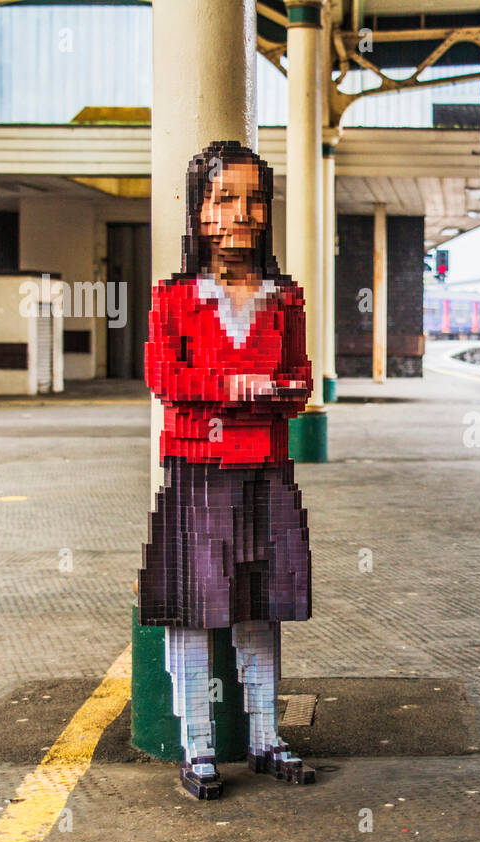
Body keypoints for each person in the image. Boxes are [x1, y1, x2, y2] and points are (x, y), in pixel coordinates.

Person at [140, 142, 313, 799]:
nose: (243, 213)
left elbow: (298, 382)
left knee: (258, 611)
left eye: (255, 199)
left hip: (264, 473)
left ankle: (267, 739)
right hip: (198, 470)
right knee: (192, 612)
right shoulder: (174, 298)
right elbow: (163, 376)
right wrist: (236, 387)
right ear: (199, 211)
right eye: (225, 199)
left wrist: (268, 389)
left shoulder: (284, 298)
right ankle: (199, 749)